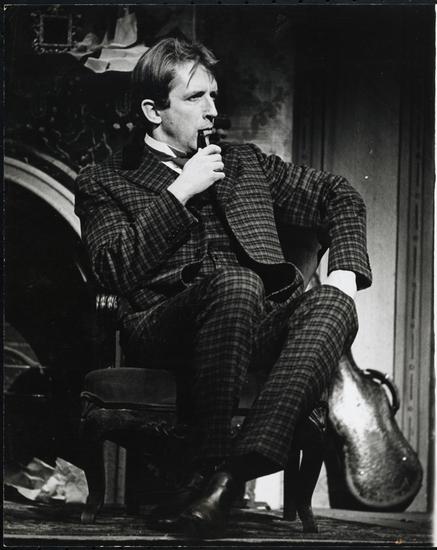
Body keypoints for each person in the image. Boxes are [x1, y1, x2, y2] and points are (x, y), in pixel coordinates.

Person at [75, 37, 372, 537]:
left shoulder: (246, 164)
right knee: (236, 281)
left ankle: (225, 480)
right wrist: (180, 191)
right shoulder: (104, 180)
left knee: (333, 302)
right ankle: (213, 462)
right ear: (153, 111)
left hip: (252, 327)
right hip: (167, 328)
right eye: (196, 98)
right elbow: (113, 270)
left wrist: (343, 273)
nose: (213, 111)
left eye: (214, 95)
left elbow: (338, 194)